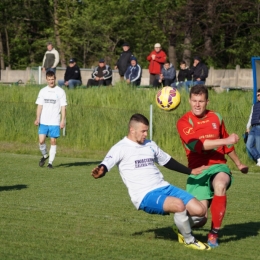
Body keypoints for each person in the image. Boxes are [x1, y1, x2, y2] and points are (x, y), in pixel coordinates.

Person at [92, 113, 211, 250]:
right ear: (132, 130)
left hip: (163, 186)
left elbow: (166, 161)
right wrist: (101, 171)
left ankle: (180, 227)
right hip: (145, 195)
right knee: (179, 205)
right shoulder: (120, 147)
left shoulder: (150, 144)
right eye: (143, 131)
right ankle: (189, 240)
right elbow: (106, 164)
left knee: (201, 212)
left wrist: (191, 171)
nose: (145, 134)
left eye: (146, 131)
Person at [176, 85, 248, 248]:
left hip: (218, 166)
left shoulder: (216, 117)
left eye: (201, 101)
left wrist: (239, 163)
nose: (197, 104)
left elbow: (227, 147)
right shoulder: (183, 122)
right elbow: (197, 145)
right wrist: (226, 140)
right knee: (200, 218)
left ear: (207, 101)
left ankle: (214, 233)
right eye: (194, 101)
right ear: (189, 101)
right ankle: (181, 226)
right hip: (198, 170)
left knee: (220, 184)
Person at [34, 71, 67, 169]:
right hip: (44, 121)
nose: (51, 81)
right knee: (41, 141)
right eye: (49, 80)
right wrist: (37, 118)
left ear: (55, 79)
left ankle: (50, 163)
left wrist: (62, 121)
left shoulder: (60, 91)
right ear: (46, 80)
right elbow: (40, 106)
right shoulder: (43, 91)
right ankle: (45, 155)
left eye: (52, 79)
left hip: (54, 121)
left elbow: (63, 107)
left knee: (53, 141)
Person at [246, 89, 260, 165]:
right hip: (253, 127)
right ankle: (258, 158)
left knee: (259, 147)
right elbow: (251, 116)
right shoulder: (254, 105)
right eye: (258, 95)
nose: (259, 96)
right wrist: (248, 126)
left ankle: (259, 161)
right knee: (249, 144)